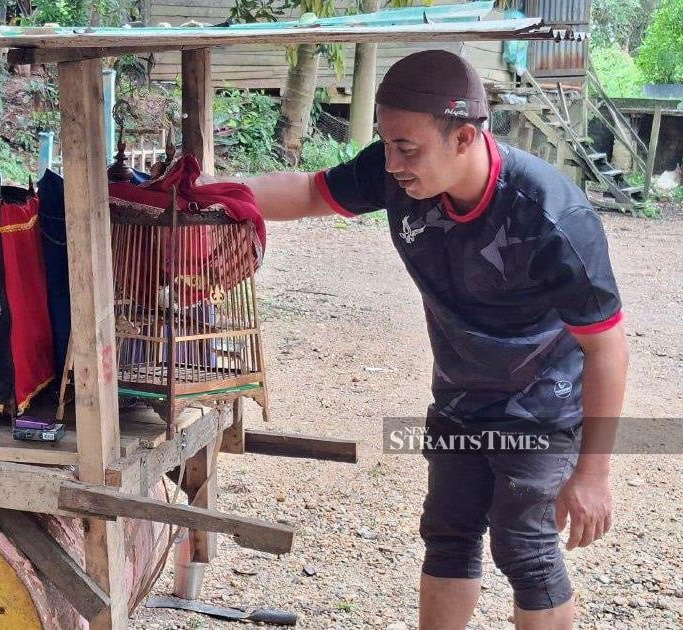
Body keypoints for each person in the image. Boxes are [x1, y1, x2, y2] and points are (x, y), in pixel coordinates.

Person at [223, 50, 629, 629]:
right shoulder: (396, 170)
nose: (390, 162)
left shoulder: (552, 217)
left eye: (405, 147)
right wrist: (209, 195)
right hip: (461, 396)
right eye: (385, 144)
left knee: (525, 549)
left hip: (542, 406)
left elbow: (607, 347)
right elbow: (311, 192)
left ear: (464, 137)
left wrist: (593, 473)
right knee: (448, 536)